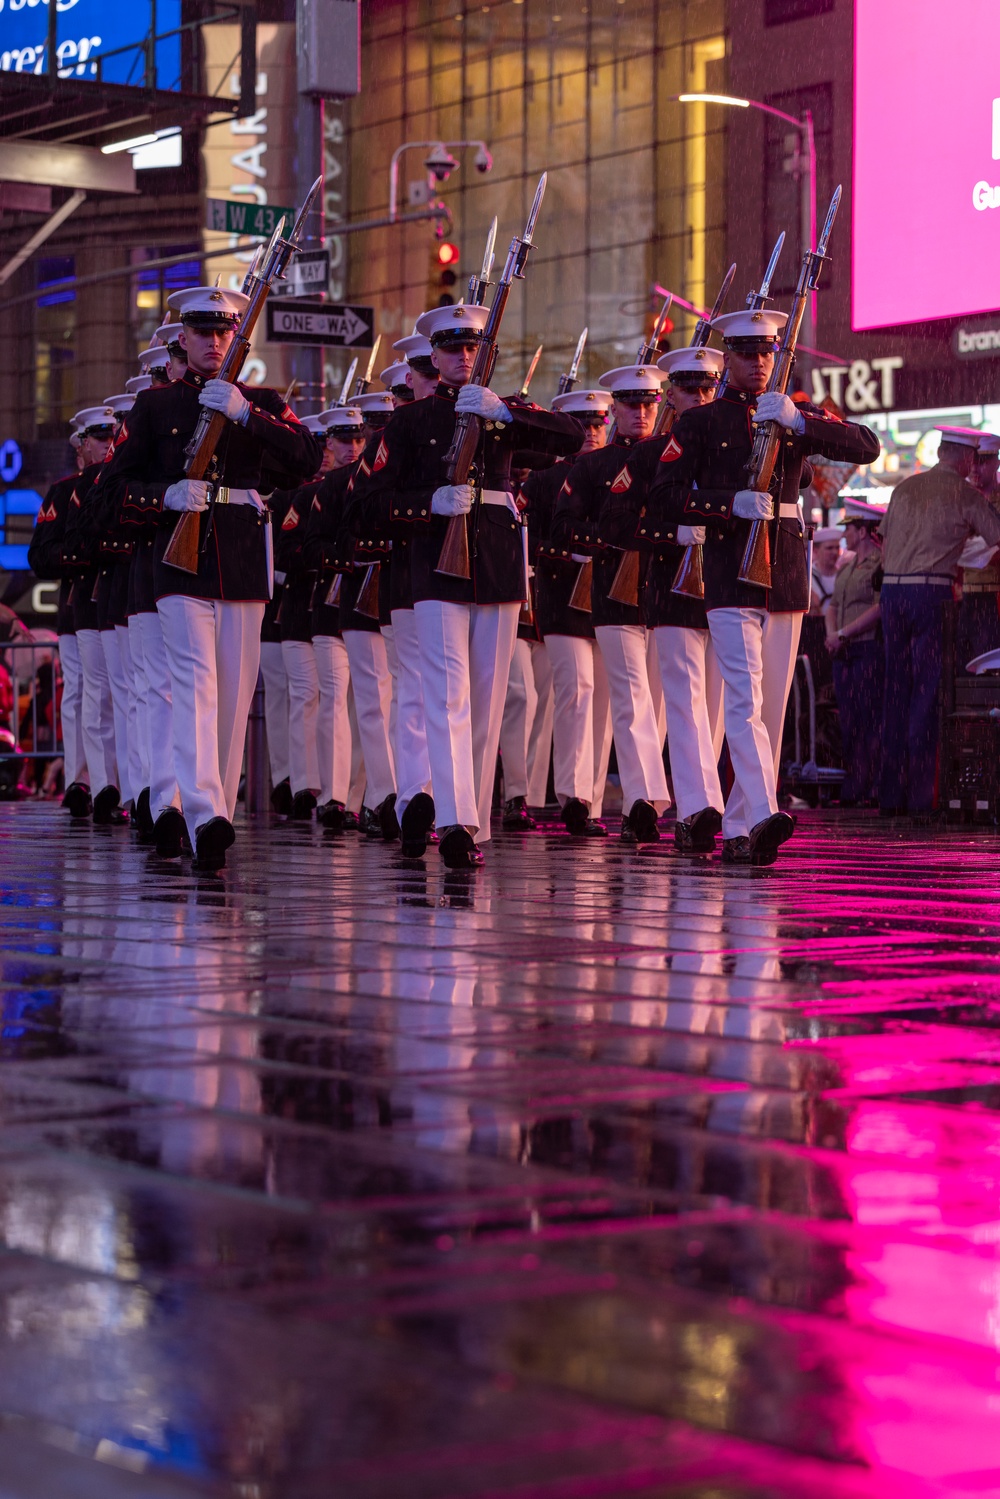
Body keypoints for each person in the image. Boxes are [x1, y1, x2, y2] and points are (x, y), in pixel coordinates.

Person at [644, 307, 880, 864]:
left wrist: (805, 424)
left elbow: (866, 445)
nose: (757, 363)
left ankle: (741, 826)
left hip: (787, 574)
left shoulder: (792, 414)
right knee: (744, 699)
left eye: (766, 352)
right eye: (747, 353)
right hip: (729, 572)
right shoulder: (700, 422)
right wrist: (727, 504)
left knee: (769, 706)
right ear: (728, 358)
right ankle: (763, 809)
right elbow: (663, 497)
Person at [350, 302, 581, 868]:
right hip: (434, 568)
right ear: (434, 355)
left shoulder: (504, 413)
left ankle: (469, 820)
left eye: (473, 347)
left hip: (497, 567)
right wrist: (426, 503)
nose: (463, 356)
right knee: (446, 695)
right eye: (453, 348)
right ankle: (453, 818)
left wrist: (503, 413)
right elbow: (368, 504)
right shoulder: (408, 423)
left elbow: (570, 437)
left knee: (485, 701)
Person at [101, 284, 321, 870]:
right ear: (183, 337)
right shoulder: (156, 408)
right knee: (194, 684)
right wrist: (164, 495)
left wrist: (245, 414)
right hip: (181, 561)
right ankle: (203, 813)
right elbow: (115, 492)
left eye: (225, 331)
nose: (215, 341)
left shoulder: (262, 402)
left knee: (231, 691)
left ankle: (215, 807)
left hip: (244, 558)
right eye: (203, 332)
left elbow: (306, 458)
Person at [598, 342, 727, 853]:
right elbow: (615, 522)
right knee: (676, 704)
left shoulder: (732, 447)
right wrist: (673, 533)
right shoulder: (652, 456)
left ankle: (706, 801)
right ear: (673, 393)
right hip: (670, 591)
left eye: (707, 388)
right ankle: (683, 805)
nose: (698, 397)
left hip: (726, 590)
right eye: (688, 389)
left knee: (718, 707)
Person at [552, 363, 671, 844]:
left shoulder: (670, 456)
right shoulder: (593, 466)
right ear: (615, 408)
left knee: (659, 705)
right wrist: (612, 538)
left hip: (664, 592)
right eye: (630, 404)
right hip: (613, 590)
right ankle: (642, 800)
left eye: (648, 404)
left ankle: (654, 797)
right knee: (629, 700)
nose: (640, 412)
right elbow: (563, 526)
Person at [877, 425, 1000, 818]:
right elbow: (996, 534)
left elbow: (885, 543)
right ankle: (920, 800)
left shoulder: (903, 489)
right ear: (965, 459)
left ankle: (890, 796)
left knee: (895, 691)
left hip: (892, 595)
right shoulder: (965, 493)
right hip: (931, 595)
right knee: (928, 695)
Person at [523, 388, 614, 837]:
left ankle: (593, 800)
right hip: (561, 597)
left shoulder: (617, 471)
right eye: (583, 425)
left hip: (606, 598)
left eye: (599, 423)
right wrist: (571, 551)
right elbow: (531, 544)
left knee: (603, 702)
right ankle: (574, 796)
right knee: (575, 692)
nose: (593, 433)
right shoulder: (541, 481)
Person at [301, 406, 368, 831]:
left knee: (369, 708)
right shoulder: (325, 488)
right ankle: (333, 795)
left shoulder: (376, 480)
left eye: (359, 440)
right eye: (345, 440)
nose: (353, 448)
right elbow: (310, 548)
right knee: (333, 700)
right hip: (332, 605)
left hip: (376, 608)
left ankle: (364, 796)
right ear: (330, 443)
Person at [27, 417, 91, 815]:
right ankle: (80, 781)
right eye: (98, 438)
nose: (107, 446)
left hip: (123, 608)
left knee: (125, 698)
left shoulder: (120, 486)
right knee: (80, 696)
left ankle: (119, 783)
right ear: (81, 446)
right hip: (77, 608)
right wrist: (79, 556)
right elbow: (40, 555)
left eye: (111, 437)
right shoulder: (63, 492)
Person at [825, 499, 884, 805]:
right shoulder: (847, 568)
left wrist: (843, 634)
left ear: (862, 531)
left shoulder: (880, 565)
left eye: (849, 528)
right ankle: (855, 785)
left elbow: (879, 607)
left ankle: (867, 787)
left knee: (868, 719)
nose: (845, 535)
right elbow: (833, 606)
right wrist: (832, 636)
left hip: (866, 648)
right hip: (844, 651)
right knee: (848, 721)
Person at [956, 431, 1000, 671]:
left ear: (996, 462)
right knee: (964, 669)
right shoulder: (959, 500)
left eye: (982, 461)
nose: (975, 468)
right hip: (963, 597)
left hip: (995, 596)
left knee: (991, 665)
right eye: (971, 461)